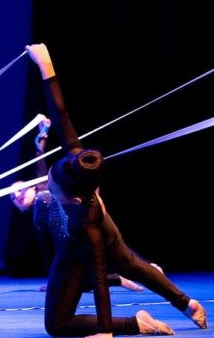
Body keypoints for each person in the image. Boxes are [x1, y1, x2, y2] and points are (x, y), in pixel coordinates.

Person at [26, 43, 205, 338]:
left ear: (75, 200)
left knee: (61, 322)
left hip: (89, 237)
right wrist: (46, 65)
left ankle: (138, 323)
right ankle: (186, 303)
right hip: (72, 247)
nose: (48, 189)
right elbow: (61, 113)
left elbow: (98, 276)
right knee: (130, 265)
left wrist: (105, 328)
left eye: (53, 189)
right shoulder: (76, 160)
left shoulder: (87, 222)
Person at [10, 119, 146, 292]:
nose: (17, 196)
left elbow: (39, 156)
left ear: (32, 186)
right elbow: (50, 251)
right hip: (75, 232)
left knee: (110, 245)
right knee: (89, 264)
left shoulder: (44, 188)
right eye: (13, 198)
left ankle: (144, 268)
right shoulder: (39, 217)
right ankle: (123, 277)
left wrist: (43, 132)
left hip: (84, 215)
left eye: (19, 190)